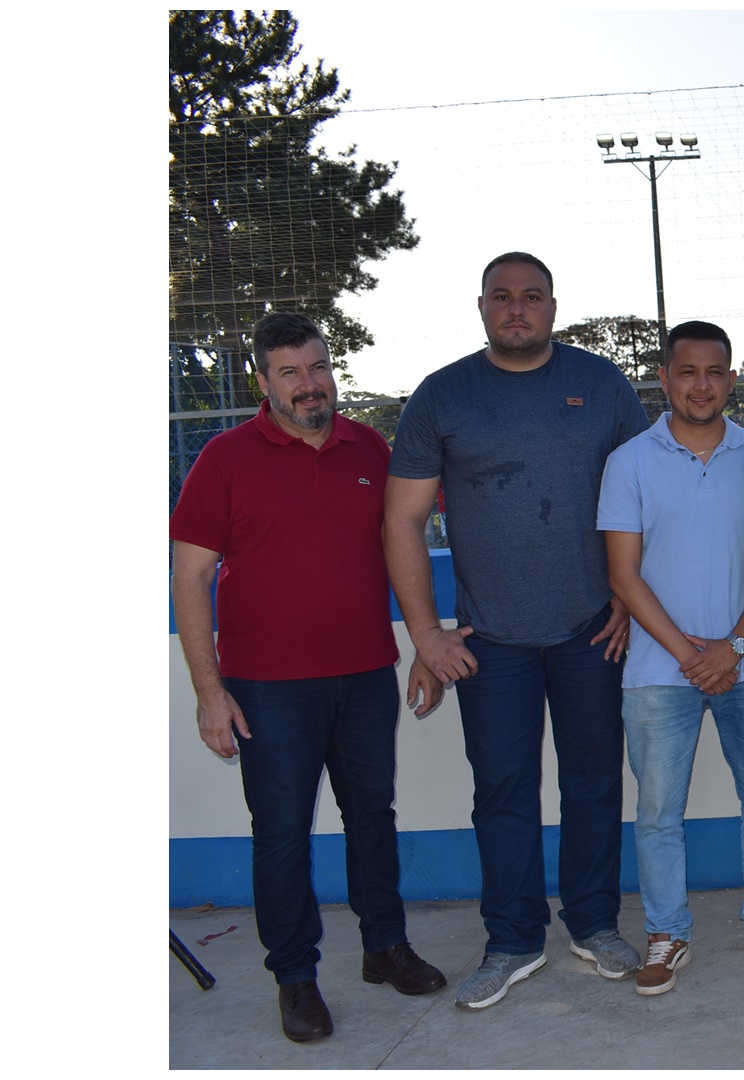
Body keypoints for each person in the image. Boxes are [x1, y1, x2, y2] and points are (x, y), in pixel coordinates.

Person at [171, 312, 447, 1043]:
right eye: (289, 372)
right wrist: (209, 691)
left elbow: (406, 543)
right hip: (266, 688)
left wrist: (424, 642)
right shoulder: (224, 459)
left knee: (372, 816)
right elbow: (191, 574)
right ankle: (295, 976)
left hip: (362, 675)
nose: (308, 385)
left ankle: (384, 947)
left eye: (318, 368)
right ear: (261, 382)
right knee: (283, 836)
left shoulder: (369, 447)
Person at [384, 252, 648, 1010]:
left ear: (553, 307)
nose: (517, 309)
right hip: (489, 638)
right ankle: (512, 939)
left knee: (595, 782)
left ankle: (594, 924)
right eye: (502, 297)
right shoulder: (443, 395)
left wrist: (629, 600)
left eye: (531, 296)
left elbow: (641, 496)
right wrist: (425, 635)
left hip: (591, 627)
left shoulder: (601, 386)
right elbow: (401, 518)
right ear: (481, 308)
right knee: (502, 791)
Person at [597, 320, 744, 996]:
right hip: (660, 673)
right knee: (657, 813)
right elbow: (624, 575)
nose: (701, 385)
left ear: (732, 380)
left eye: (715, 372)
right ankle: (666, 932)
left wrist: (734, 646)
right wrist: (691, 655)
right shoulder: (629, 461)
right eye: (687, 371)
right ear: (665, 378)